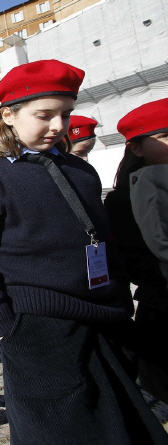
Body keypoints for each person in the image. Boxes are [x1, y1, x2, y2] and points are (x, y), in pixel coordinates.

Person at [0, 60, 166, 444]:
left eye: (65, 114)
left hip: (103, 318)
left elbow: (104, 240)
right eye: (44, 115)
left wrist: (120, 302)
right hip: (38, 325)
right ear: (8, 115)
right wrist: (7, 327)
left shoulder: (81, 171)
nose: (58, 126)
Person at [104, 98, 168, 403]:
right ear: (137, 148)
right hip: (161, 305)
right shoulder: (122, 200)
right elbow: (131, 261)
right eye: (165, 136)